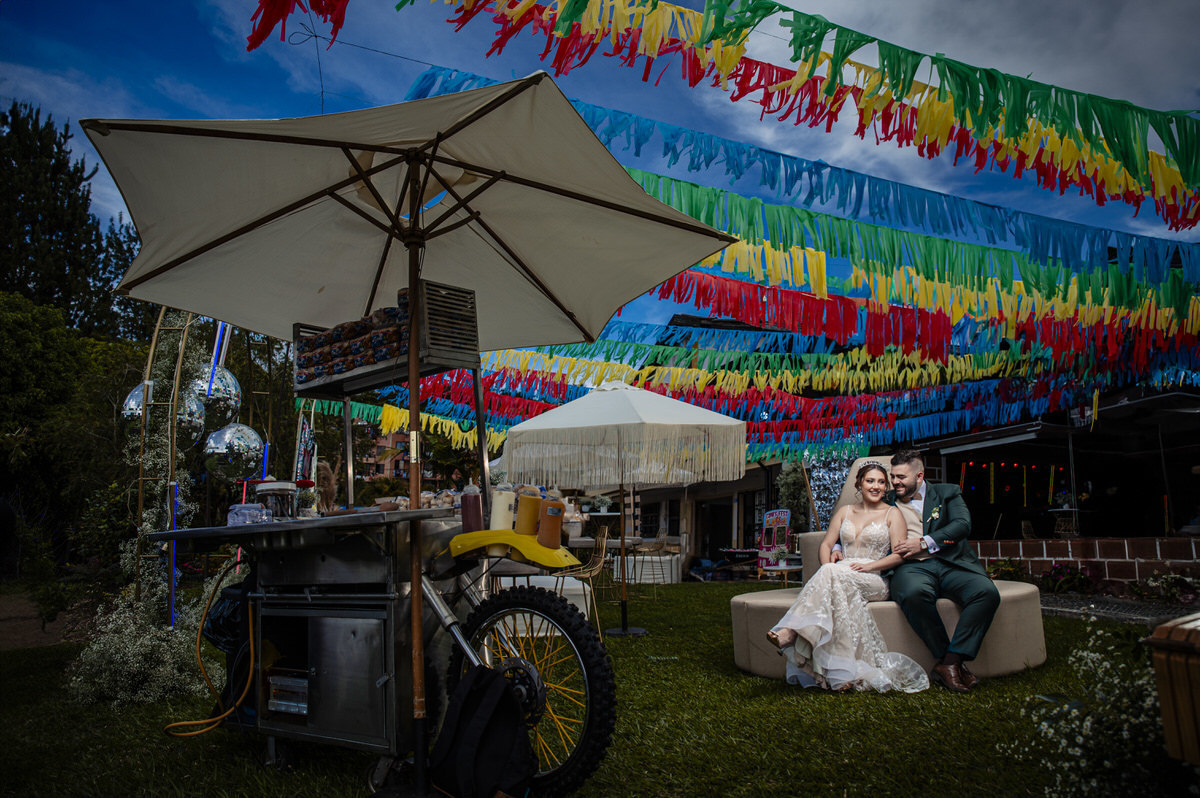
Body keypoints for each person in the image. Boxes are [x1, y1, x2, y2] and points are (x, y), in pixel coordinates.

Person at [766, 461, 929, 692]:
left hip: (874, 578)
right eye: (870, 481)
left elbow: (898, 556)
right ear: (859, 484)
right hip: (841, 573)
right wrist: (827, 567)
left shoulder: (893, 514)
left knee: (835, 575)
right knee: (835, 580)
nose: (876, 486)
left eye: (881, 482)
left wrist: (871, 566)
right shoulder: (845, 512)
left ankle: (792, 632)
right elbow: (826, 545)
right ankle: (841, 674)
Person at [885, 449, 1000, 693]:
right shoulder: (886, 498)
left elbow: (962, 525)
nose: (895, 482)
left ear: (919, 476)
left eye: (901, 477)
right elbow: (856, 518)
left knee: (986, 593)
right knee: (913, 594)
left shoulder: (948, 492)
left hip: (950, 562)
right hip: (911, 567)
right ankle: (949, 661)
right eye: (893, 476)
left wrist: (925, 542)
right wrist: (839, 544)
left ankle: (950, 662)